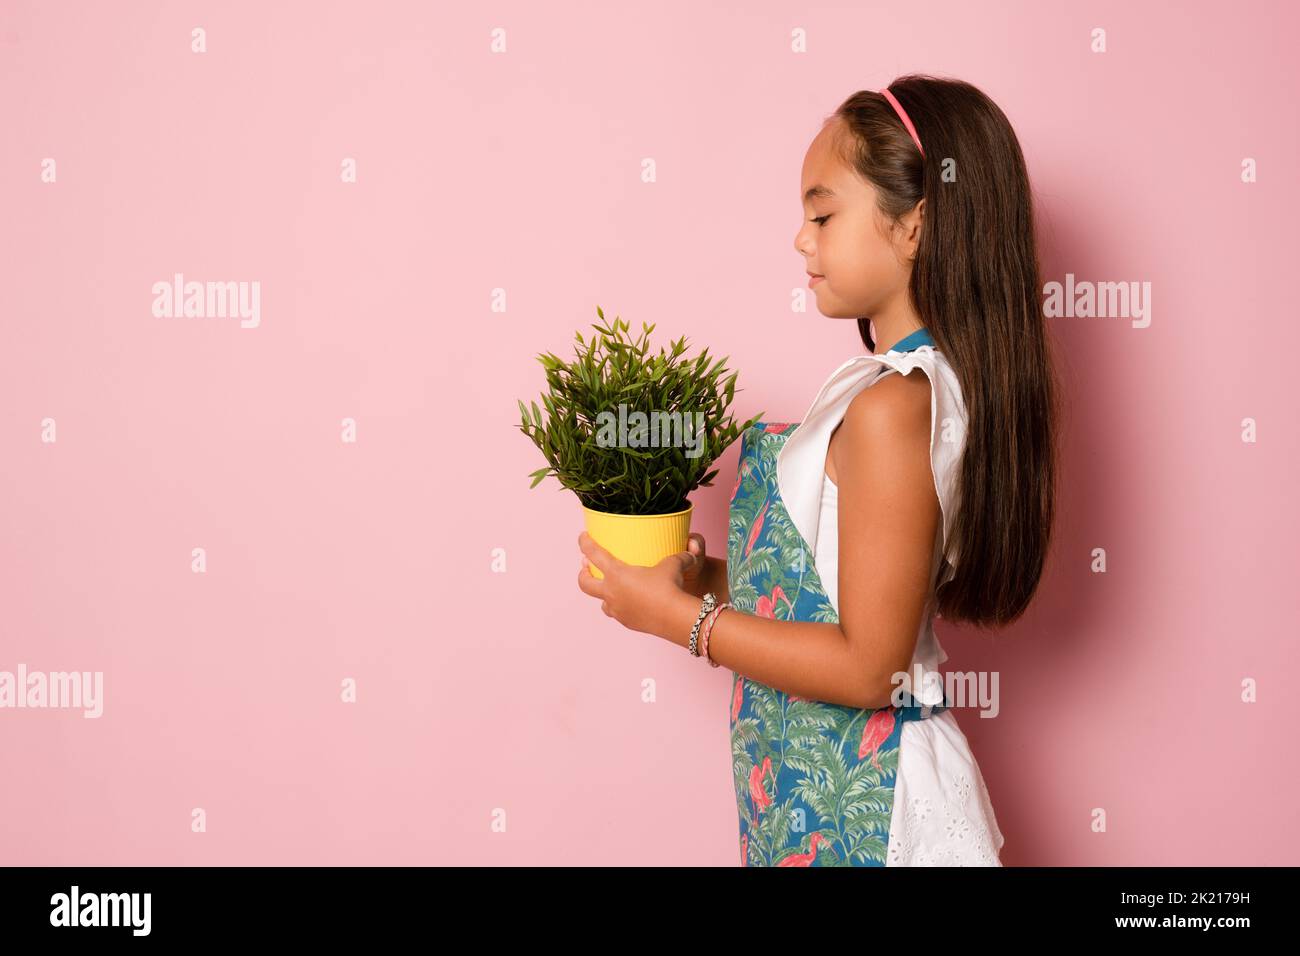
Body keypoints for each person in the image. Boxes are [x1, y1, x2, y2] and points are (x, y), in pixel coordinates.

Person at [577, 74, 1059, 866]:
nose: (802, 239)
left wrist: (682, 624)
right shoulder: (896, 390)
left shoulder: (895, 407)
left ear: (913, 226)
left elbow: (872, 668)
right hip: (810, 798)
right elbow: (848, 592)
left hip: (879, 809)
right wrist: (713, 582)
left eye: (823, 212)